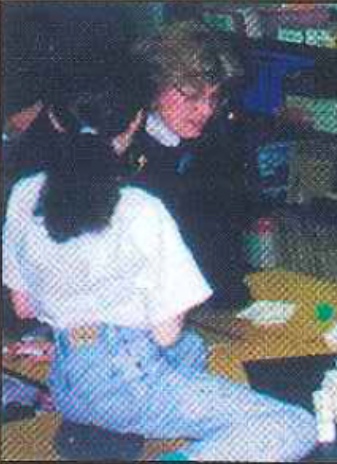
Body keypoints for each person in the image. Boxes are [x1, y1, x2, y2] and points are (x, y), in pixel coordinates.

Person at [1, 62, 317, 462]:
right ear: (135, 123)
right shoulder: (139, 208)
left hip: (66, 381)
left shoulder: (24, 194)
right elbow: (165, 332)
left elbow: (23, 306)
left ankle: (107, 423)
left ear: (57, 120)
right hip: (126, 381)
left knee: (193, 349)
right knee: (292, 425)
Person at [125, 19, 251, 311]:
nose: (205, 110)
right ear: (155, 87)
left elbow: (221, 244)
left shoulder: (215, 145)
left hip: (203, 305)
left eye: (214, 98)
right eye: (193, 96)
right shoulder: (124, 147)